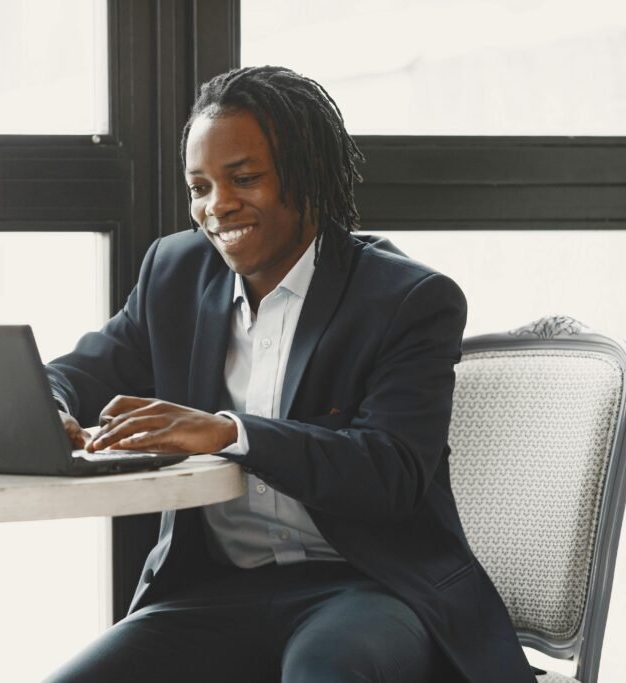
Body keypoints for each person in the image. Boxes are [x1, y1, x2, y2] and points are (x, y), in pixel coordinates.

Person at [43, 66, 535, 682]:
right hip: (215, 592)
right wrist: (49, 408)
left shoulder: (407, 299)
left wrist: (231, 433)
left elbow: (390, 472)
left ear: (303, 174)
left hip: (370, 589)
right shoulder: (174, 273)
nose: (217, 206)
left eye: (243, 179)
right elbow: (82, 370)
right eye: (200, 186)